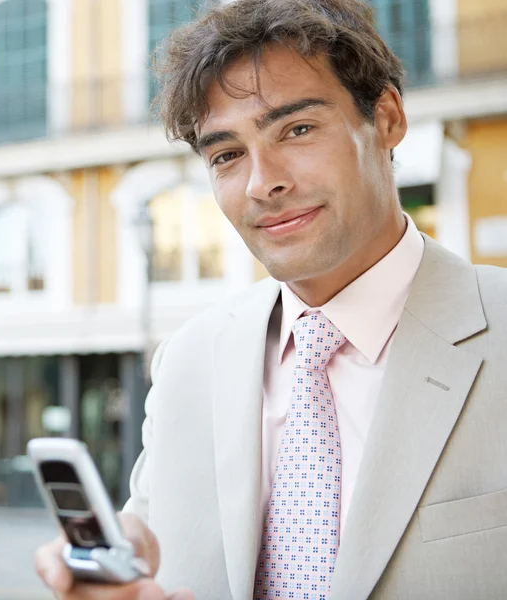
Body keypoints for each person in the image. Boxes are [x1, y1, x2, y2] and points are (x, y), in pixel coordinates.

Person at [35, 0, 507, 598]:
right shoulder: (187, 358)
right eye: (227, 154)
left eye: (298, 129)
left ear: (386, 117)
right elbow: (152, 532)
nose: (263, 183)